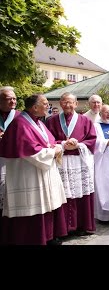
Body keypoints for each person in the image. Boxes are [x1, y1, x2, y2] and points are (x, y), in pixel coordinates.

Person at [0, 94, 66, 245]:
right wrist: (54, 151)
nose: (48, 106)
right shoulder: (20, 124)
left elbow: (47, 141)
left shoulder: (38, 122)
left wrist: (57, 146)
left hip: (40, 171)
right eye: (45, 103)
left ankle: (47, 236)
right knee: (32, 207)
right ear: (35, 107)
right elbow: (31, 150)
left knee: (45, 205)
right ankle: (34, 238)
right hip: (27, 173)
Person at [45, 92, 97, 236]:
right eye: (64, 102)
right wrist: (62, 144)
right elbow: (47, 141)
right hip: (60, 161)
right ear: (60, 104)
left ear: (76, 104)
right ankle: (63, 229)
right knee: (62, 194)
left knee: (81, 195)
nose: (68, 105)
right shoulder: (51, 121)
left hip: (79, 161)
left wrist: (78, 145)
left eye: (70, 102)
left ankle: (82, 226)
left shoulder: (85, 121)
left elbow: (92, 140)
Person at [0, 86, 21, 221]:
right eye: (9, 99)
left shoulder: (21, 116)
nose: (13, 101)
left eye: (14, 98)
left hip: (16, 160)